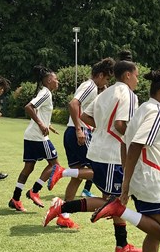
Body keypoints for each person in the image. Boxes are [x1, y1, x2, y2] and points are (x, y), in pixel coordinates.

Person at [43, 52, 142, 252]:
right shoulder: (129, 96)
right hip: (113, 155)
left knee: (112, 201)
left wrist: (103, 129)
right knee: (117, 202)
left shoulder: (105, 92)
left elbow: (86, 115)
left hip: (97, 150)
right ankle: (62, 206)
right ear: (127, 75)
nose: (138, 80)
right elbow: (121, 125)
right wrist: (135, 141)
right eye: (136, 75)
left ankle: (121, 245)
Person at [89, 70, 160, 252]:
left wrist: (128, 177)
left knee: (154, 231)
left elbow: (124, 142)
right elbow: (137, 144)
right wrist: (126, 184)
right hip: (153, 180)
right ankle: (119, 209)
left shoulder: (143, 109)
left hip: (146, 178)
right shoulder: (157, 111)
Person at [44, 57, 115, 228]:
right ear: (99, 75)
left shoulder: (93, 87)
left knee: (78, 176)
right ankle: (62, 172)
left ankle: (64, 214)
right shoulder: (90, 85)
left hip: (73, 132)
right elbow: (73, 103)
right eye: (106, 78)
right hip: (79, 133)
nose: (106, 82)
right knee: (95, 170)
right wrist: (78, 129)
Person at [7, 66, 60, 212]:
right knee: (55, 165)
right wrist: (42, 124)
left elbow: (38, 111)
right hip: (38, 137)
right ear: (49, 80)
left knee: (28, 168)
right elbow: (29, 107)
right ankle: (34, 191)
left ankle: (15, 199)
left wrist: (48, 124)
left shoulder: (44, 93)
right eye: (56, 79)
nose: (58, 82)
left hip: (31, 135)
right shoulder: (46, 93)